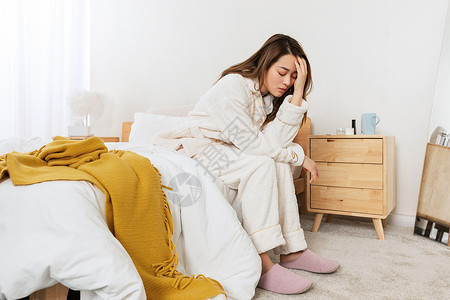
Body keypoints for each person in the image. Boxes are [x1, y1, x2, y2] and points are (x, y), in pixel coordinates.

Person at [154, 33, 339, 295]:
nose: (287, 81)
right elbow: (253, 145)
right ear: (266, 62)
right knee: (263, 164)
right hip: (197, 148)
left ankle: (293, 251)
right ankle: (262, 265)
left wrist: (297, 95)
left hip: (225, 150)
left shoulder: (264, 101)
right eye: (283, 72)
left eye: (295, 77)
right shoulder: (233, 85)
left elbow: (274, 142)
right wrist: (299, 156)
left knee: (278, 161)